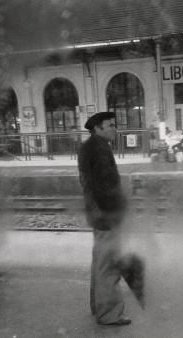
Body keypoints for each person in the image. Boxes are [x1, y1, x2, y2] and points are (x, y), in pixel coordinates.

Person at [77, 112, 132, 326]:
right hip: (106, 215)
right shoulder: (99, 149)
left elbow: (89, 184)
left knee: (100, 263)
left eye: (114, 125)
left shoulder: (91, 146)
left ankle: (98, 306)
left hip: (98, 214)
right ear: (97, 128)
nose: (114, 129)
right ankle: (109, 314)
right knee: (108, 265)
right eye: (110, 126)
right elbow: (104, 187)